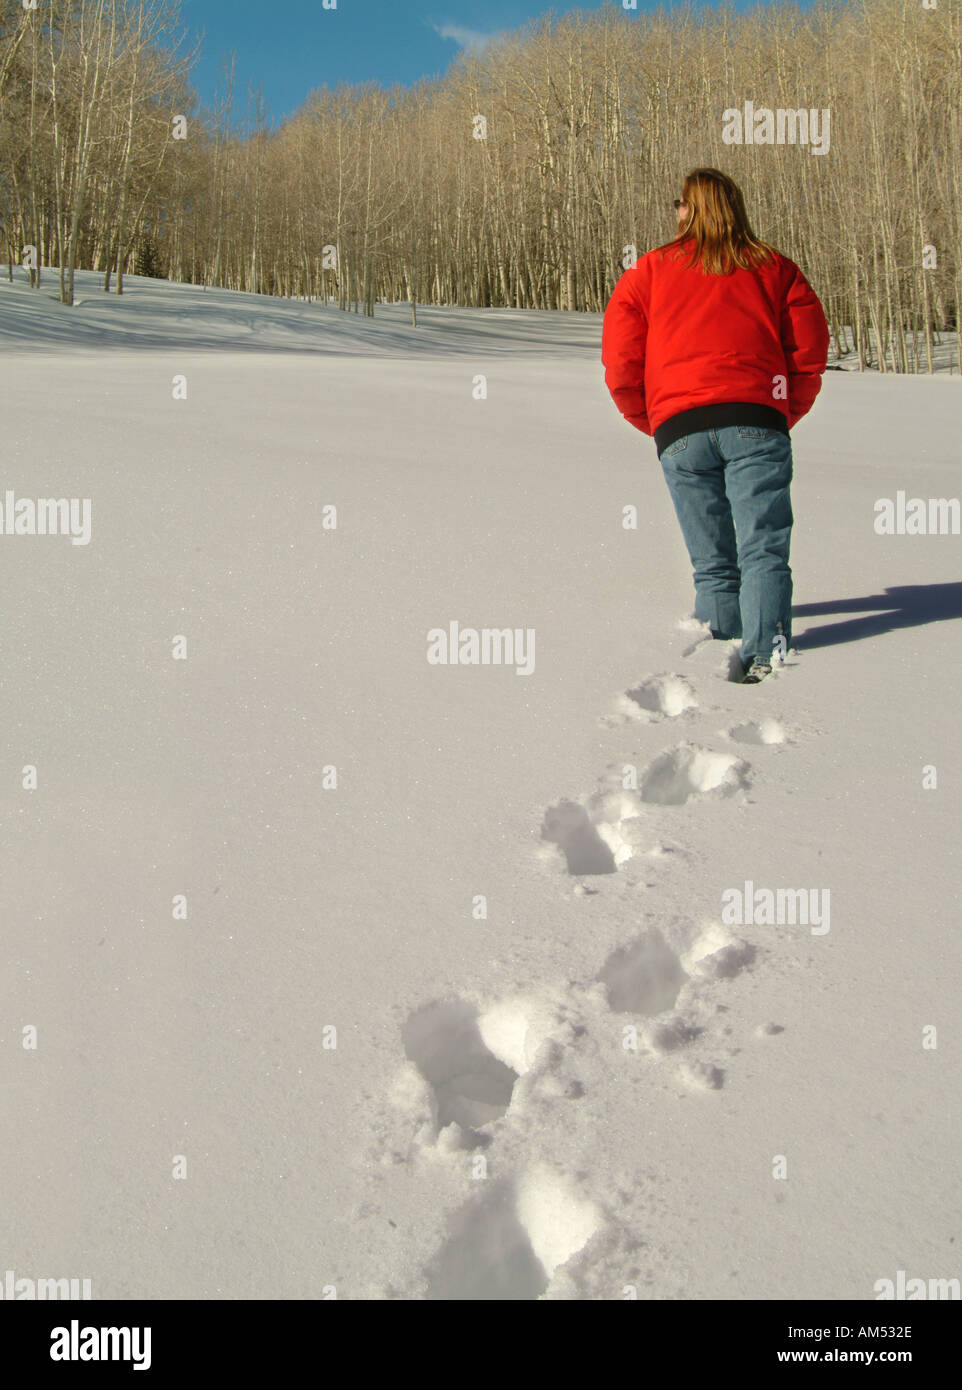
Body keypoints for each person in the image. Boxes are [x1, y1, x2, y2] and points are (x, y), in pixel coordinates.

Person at [601, 167, 829, 683]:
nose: (676, 212)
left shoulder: (648, 272)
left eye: (678, 203)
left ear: (692, 208)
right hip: (755, 420)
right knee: (763, 548)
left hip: (680, 431)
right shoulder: (775, 269)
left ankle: (719, 647)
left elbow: (620, 360)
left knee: (714, 562)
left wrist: (654, 418)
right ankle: (765, 658)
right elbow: (808, 352)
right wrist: (779, 413)